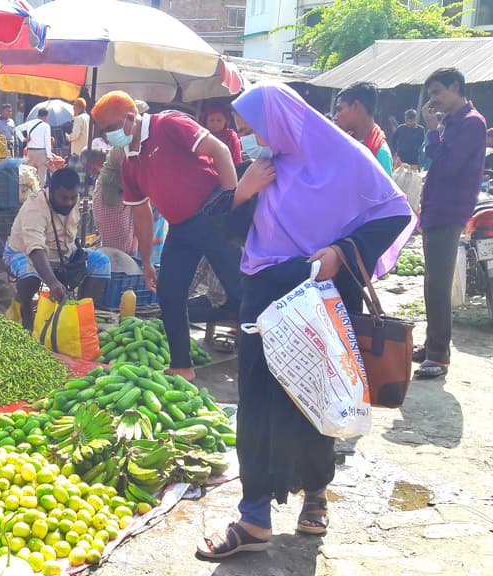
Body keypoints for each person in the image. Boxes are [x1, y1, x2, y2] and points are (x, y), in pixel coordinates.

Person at [196, 82, 414, 560]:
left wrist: (341, 251)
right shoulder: (266, 167)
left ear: (282, 121)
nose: (251, 137)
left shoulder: (348, 158)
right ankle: (254, 515)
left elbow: (395, 213)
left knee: (317, 398)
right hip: (263, 294)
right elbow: (225, 232)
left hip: (321, 294)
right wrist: (241, 193)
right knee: (256, 400)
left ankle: (316, 491)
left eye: (256, 127)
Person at [91, 91, 256, 381]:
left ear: (130, 118)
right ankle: (182, 365)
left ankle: (262, 366)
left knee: (241, 291)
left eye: (109, 128)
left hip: (213, 213)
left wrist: (231, 206)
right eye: (103, 132)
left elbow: (219, 151)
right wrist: (145, 261)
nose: (107, 137)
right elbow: (141, 214)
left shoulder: (167, 124)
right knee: (169, 292)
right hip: (181, 227)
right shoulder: (129, 161)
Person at [414, 68, 488, 379]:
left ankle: (438, 355)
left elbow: (447, 167)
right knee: (431, 282)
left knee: (439, 285)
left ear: (456, 88)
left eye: (437, 93)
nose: (433, 101)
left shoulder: (471, 123)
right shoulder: (453, 123)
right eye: (430, 95)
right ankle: (433, 342)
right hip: (436, 209)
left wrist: (432, 131)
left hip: (449, 210)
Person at [4, 168, 111, 331]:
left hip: (63, 254)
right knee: (30, 274)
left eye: (73, 198)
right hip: (22, 252)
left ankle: (77, 316)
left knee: (102, 262)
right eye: (64, 198)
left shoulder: (73, 201)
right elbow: (35, 250)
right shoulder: (35, 207)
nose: (69, 202)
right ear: (51, 192)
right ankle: (25, 313)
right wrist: (53, 283)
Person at [333, 82, 393, 175]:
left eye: (339, 110)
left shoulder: (380, 154)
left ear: (356, 106)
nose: (335, 117)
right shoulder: (345, 141)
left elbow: (384, 189)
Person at [200, 101, 242, 166]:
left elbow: (236, 159)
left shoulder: (231, 136)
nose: (215, 123)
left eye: (219, 120)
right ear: (206, 121)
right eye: (211, 120)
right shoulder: (201, 135)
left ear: (226, 121)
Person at [24, 108, 53, 187]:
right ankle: (39, 193)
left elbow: (17, 129)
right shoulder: (46, 126)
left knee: (30, 174)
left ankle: (30, 193)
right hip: (41, 152)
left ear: (38, 115)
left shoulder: (29, 123)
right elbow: (47, 142)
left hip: (30, 152)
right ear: (46, 116)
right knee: (41, 175)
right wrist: (49, 156)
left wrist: (23, 139)